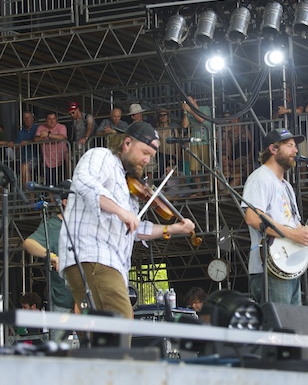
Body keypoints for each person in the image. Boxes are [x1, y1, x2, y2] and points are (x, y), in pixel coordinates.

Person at [58, 122, 195, 319]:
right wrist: (121, 212)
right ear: (127, 143)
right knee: (121, 319)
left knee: (104, 327)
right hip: (93, 253)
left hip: (110, 263)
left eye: (151, 156)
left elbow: (134, 228)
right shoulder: (101, 156)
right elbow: (84, 182)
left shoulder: (129, 184)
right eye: (145, 152)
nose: (147, 160)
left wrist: (172, 229)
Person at [242, 128, 308, 305]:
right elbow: (253, 218)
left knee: (292, 320)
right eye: (290, 145)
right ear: (273, 149)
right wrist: (292, 234)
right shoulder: (260, 178)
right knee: (278, 321)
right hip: (269, 266)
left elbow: (298, 228)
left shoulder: (286, 186)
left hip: (288, 267)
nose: (296, 150)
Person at [23, 180, 75, 342]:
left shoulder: (86, 223)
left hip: (86, 298)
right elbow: (29, 243)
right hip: (63, 300)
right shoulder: (53, 226)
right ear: (65, 202)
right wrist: (52, 256)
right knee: (59, 347)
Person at [181, 95, 211, 195]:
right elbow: (185, 125)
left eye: (189, 101)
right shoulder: (189, 113)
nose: (188, 103)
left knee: (206, 167)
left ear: (195, 100)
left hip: (205, 141)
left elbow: (201, 119)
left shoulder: (204, 108)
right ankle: (199, 189)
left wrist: (190, 110)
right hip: (194, 142)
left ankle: (207, 188)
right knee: (194, 168)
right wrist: (185, 113)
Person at [34, 112, 69, 187]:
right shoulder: (41, 127)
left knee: (62, 184)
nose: (52, 121)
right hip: (48, 162)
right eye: (49, 119)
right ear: (46, 120)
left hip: (62, 160)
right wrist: (41, 137)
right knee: (50, 185)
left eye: (53, 119)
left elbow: (62, 137)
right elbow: (35, 139)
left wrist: (47, 135)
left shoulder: (61, 127)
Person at [14, 110, 40, 193]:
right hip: (24, 158)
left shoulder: (38, 128)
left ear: (32, 118)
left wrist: (28, 142)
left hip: (37, 158)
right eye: (25, 118)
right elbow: (17, 145)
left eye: (28, 118)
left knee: (24, 167)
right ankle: (28, 192)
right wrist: (13, 144)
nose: (27, 120)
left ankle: (28, 192)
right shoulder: (21, 132)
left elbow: (39, 139)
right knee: (24, 167)